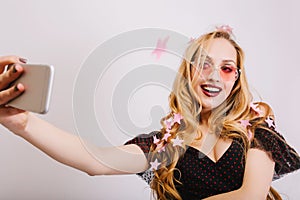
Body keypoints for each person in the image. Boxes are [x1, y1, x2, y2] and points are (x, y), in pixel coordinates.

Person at [0, 26, 299, 200]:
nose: (214, 76)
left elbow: (251, 196)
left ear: (235, 79)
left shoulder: (256, 126)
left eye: (226, 68)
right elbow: (95, 160)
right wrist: (23, 124)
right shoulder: (165, 145)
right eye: (203, 64)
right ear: (188, 73)